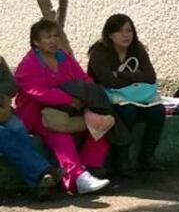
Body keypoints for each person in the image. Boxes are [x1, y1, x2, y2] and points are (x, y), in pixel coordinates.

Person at [14, 19, 110, 195]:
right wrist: (68, 99)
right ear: (36, 41)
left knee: (101, 125)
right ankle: (76, 177)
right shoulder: (29, 64)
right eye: (47, 37)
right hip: (38, 115)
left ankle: (89, 168)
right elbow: (36, 91)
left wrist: (88, 94)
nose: (53, 40)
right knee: (59, 135)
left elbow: (83, 78)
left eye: (55, 35)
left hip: (70, 110)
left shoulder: (63, 57)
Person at [87, 14, 166, 175]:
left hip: (135, 98)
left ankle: (147, 155)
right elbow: (109, 82)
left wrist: (120, 74)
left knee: (158, 111)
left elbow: (150, 77)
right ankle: (121, 159)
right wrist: (136, 78)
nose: (126, 35)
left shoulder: (137, 49)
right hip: (107, 100)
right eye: (120, 31)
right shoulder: (99, 52)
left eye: (129, 30)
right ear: (110, 34)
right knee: (127, 111)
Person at [1, 55, 60, 199]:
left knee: (18, 128)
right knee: (2, 133)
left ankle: (38, 183)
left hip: (3, 112)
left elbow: (12, 87)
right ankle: (44, 173)